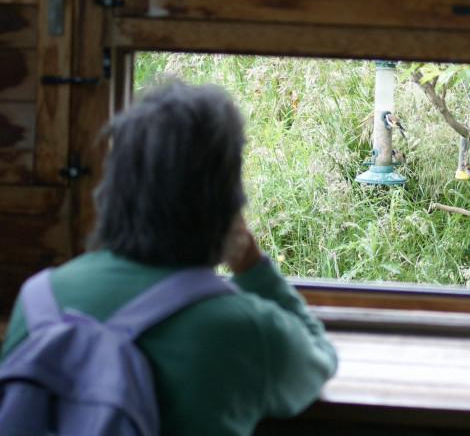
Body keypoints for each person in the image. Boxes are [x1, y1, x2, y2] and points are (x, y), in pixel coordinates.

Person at [0, 81, 337, 435]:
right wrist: (251, 265)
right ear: (226, 204)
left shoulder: (39, 300)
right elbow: (319, 357)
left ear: (112, 190)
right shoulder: (242, 330)